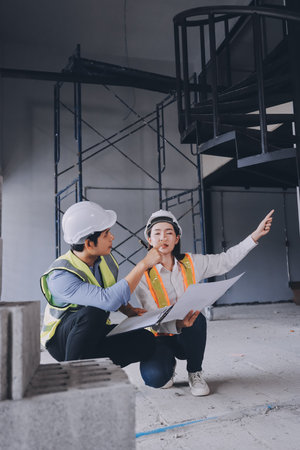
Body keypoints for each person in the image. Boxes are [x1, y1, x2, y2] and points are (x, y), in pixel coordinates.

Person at [133, 209, 274, 396]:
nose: (162, 238)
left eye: (168, 232)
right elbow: (151, 317)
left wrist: (254, 236)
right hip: (160, 336)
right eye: (156, 233)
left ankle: (195, 371)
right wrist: (177, 323)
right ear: (149, 240)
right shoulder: (142, 275)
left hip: (189, 331)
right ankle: (168, 366)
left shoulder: (192, 262)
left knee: (196, 317)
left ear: (177, 238)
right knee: (156, 380)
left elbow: (225, 260)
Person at [40, 201, 161, 367]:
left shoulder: (106, 260)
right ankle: (73, 373)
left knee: (146, 340)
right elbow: (106, 300)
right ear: (89, 244)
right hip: (62, 341)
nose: (112, 237)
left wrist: (127, 309)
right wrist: (143, 264)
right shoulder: (60, 276)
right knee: (93, 312)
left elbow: (108, 290)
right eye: (106, 234)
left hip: (92, 333)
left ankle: (87, 367)